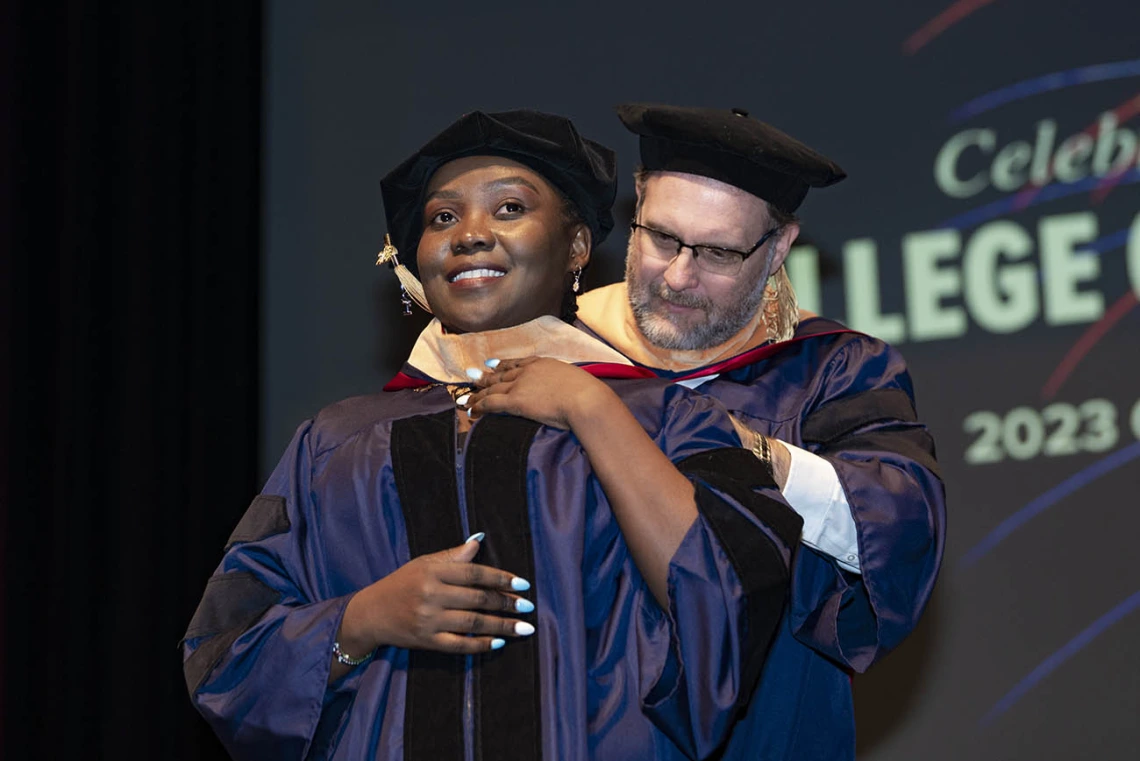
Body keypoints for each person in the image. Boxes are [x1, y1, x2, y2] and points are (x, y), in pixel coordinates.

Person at [182, 110, 805, 760]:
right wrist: (362, 620)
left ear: (576, 247)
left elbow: (737, 602)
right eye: (442, 218)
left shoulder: (669, 417)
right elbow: (224, 653)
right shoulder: (333, 443)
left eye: (509, 208)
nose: (470, 234)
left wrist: (589, 407)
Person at [468, 104, 947, 760]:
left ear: (779, 247)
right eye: (662, 237)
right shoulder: (552, 352)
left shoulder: (833, 369)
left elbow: (896, 525)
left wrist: (720, 442)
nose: (678, 275)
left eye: (718, 252)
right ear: (636, 208)